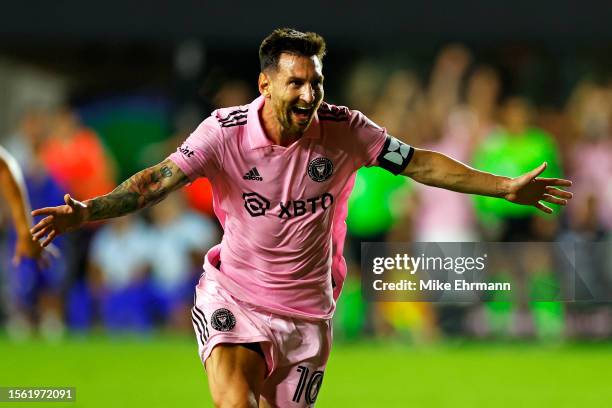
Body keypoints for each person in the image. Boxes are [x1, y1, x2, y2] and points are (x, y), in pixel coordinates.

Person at [31, 28, 573, 407]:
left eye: (316, 82)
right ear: (266, 84)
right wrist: (91, 212)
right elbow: (155, 182)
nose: (310, 94)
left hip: (309, 313)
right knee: (234, 402)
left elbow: (421, 163)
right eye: (296, 82)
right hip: (235, 296)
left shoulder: (347, 130)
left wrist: (505, 187)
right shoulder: (222, 134)